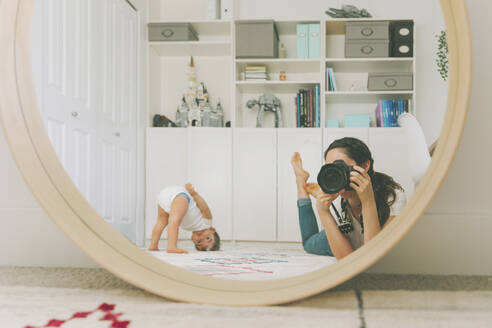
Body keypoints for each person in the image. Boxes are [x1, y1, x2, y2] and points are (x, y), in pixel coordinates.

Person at [291, 137, 406, 259]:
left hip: (363, 240)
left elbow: (372, 256)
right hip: (346, 236)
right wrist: (323, 212)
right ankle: (300, 183)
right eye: (331, 168)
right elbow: (345, 260)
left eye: (340, 166)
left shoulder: (393, 197)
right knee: (309, 244)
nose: (335, 174)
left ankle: (317, 192)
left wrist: (367, 201)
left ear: (365, 165)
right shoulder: (337, 200)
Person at [148, 183, 220, 253]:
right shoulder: (207, 222)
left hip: (164, 198)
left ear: (192, 239)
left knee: (161, 222)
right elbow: (204, 208)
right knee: (174, 220)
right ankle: (172, 246)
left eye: (199, 241)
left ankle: (153, 245)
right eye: (208, 238)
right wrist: (194, 194)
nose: (201, 237)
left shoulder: (189, 228)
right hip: (181, 196)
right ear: (212, 230)